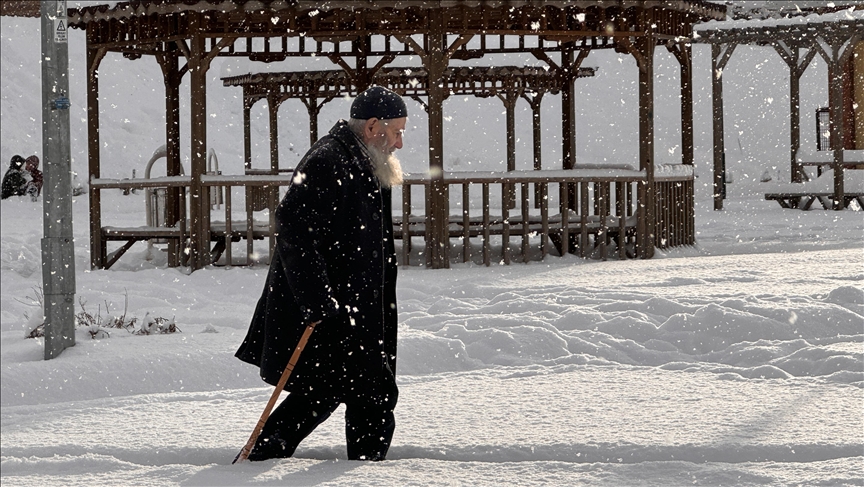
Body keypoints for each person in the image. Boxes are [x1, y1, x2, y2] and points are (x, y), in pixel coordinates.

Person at [235, 86, 406, 462]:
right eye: (396, 131)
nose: (400, 142)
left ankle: (361, 468)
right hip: (331, 310)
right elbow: (293, 230)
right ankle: (264, 461)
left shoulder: (367, 159)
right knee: (339, 392)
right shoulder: (328, 160)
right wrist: (319, 301)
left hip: (358, 309)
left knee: (354, 392)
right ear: (373, 126)